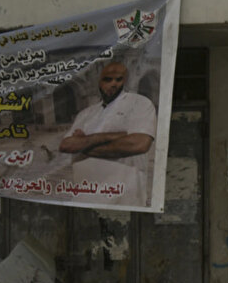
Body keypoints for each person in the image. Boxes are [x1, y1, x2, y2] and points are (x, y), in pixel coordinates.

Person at [59, 60, 158, 205]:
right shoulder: (86, 114)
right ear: (99, 82)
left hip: (125, 194)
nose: (114, 84)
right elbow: (66, 145)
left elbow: (139, 144)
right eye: (108, 79)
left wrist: (84, 144)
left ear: (125, 81)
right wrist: (119, 135)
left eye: (118, 79)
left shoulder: (140, 103)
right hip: (86, 193)